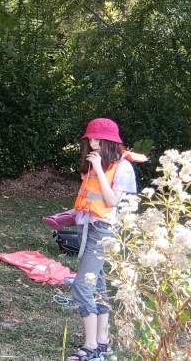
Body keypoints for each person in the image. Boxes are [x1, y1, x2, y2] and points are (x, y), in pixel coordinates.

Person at [63, 119, 145, 361]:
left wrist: (98, 169)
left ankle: (90, 346)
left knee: (82, 285)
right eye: (90, 138)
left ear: (110, 141)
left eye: (97, 138)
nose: (92, 142)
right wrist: (69, 214)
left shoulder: (122, 168)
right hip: (86, 226)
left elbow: (111, 201)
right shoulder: (94, 162)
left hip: (102, 231)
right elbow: (90, 198)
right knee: (97, 285)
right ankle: (103, 342)